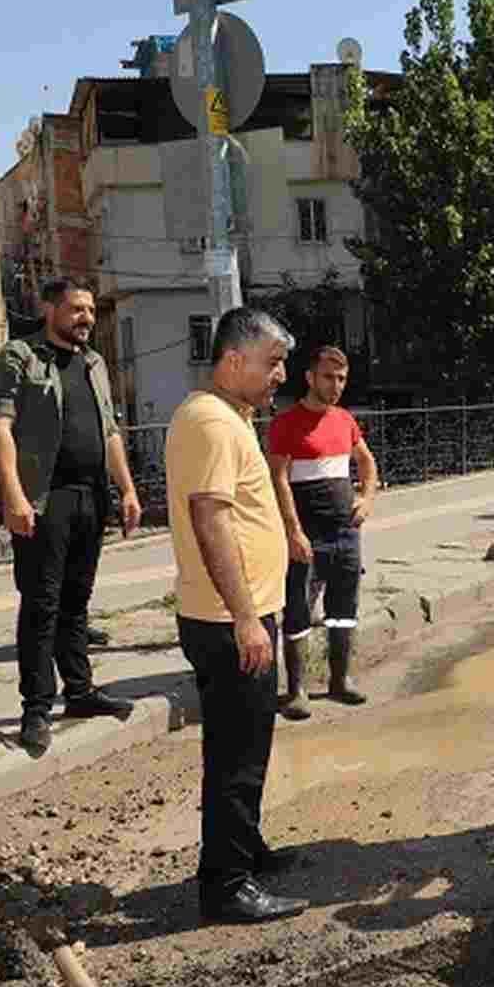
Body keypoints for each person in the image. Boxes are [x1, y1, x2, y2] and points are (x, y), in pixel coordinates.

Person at [165, 308, 308, 924]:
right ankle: (226, 885)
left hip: (237, 616)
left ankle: (243, 848)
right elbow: (212, 519)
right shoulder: (211, 422)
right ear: (233, 360)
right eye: (272, 362)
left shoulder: (229, 418)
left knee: (244, 745)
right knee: (237, 755)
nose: (281, 374)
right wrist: (246, 618)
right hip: (230, 622)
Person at [0, 277, 140, 758]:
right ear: (49, 309)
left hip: (90, 497)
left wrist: (127, 489)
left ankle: (80, 691)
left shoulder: (94, 363)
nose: (86, 318)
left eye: (90, 310)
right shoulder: (19, 357)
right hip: (44, 500)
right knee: (41, 605)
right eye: (76, 309)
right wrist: (14, 495)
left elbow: (110, 431)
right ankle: (36, 708)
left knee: (77, 601)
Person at [267, 345, 380, 720]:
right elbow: (278, 480)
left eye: (342, 378)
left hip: (345, 532)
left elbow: (367, 462)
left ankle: (340, 680)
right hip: (306, 533)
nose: (336, 385)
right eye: (329, 377)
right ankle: (296, 690)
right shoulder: (286, 423)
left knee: (344, 607)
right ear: (310, 378)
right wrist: (293, 531)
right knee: (297, 607)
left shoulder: (345, 420)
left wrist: (367, 498)